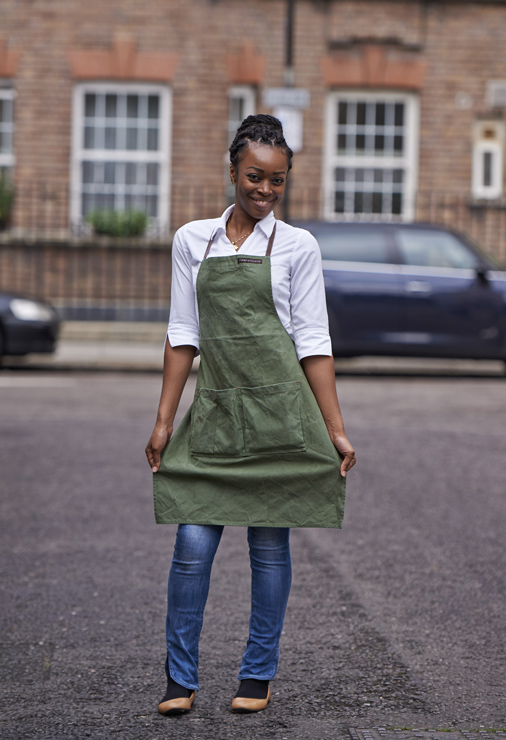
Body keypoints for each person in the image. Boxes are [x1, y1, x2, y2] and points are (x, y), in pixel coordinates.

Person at [145, 114, 356, 717]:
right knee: (191, 542)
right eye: (254, 177)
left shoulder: (297, 246)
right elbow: (183, 334)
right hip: (214, 413)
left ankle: (257, 674)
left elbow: (313, 342)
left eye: (277, 181)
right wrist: (164, 421)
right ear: (233, 170)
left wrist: (334, 429)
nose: (264, 190)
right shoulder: (193, 240)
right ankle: (179, 679)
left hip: (280, 418)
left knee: (269, 546)